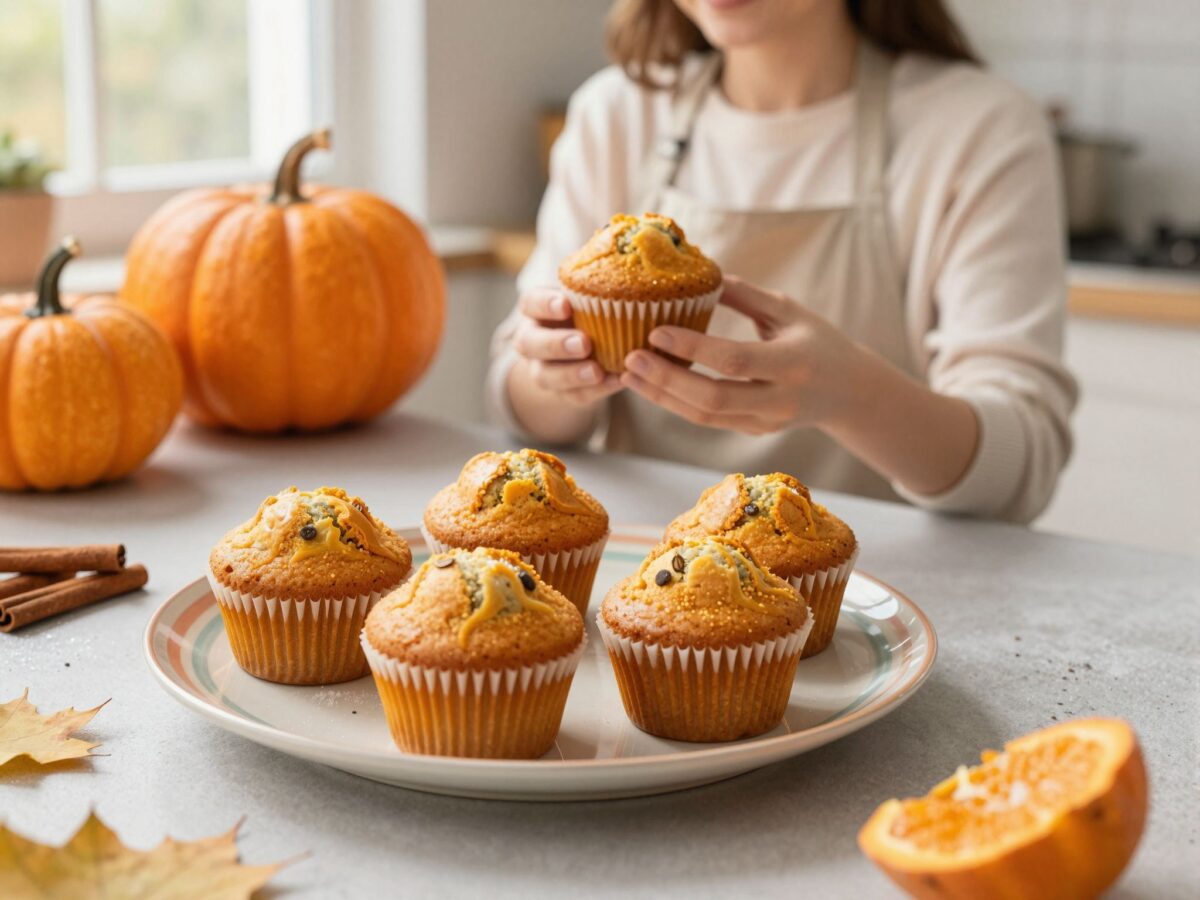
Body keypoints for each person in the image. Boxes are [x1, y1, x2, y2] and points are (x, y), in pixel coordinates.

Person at [487, 0, 1077, 523]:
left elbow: (1019, 469)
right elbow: (516, 399)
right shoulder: (615, 114)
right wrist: (555, 377)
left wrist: (855, 396)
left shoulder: (977, 129)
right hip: (639, 584)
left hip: (888, 597)